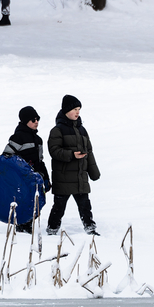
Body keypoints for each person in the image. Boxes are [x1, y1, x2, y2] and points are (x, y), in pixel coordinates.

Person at [46, 94, 101, 236]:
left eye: (79, 109)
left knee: (85, 205)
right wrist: (71, 155)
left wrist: (94, 173)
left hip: (80, 176)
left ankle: (90, 227)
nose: (77, 112)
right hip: (63, 177)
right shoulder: (57, 130)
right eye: (75, 109)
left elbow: (89, 152)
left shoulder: (82, 130)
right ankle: (52, 229)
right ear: (66, 111)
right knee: (59, 206)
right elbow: (54, 151)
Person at [2, 106, 51, 233]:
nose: (36, 122)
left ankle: (28, 224)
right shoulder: (17, 138)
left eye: (37, 119)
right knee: (23, 203)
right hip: (20, 180)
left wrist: (45, 178)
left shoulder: (38, 140)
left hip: (34, 179)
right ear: (25, 121)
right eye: (32, 120)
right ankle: (21, 226)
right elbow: (6, 157)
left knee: (36, 204)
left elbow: (40, 161)